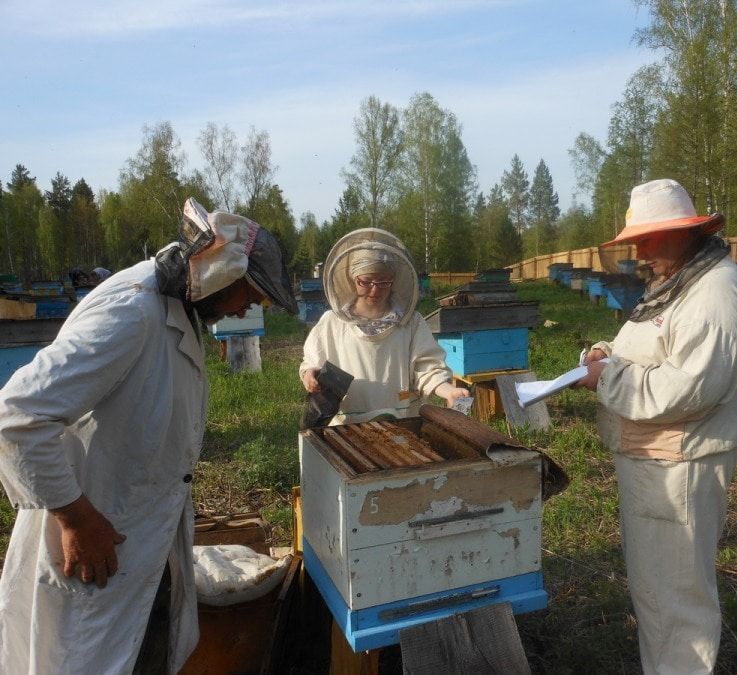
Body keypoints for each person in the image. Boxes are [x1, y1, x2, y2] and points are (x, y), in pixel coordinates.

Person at [0, 197, 298, 674]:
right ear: (222, 272)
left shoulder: (175, 306)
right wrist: (75, 518)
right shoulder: (131, 312)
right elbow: (17, 415)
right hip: (98, 544)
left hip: (140, 539)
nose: (250, 306)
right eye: (251, 292)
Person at [574, 179, 737, 674]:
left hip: (680, 465)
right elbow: (652, 351)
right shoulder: (680, 282)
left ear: (685, 233)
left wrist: (605, 379)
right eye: (636, 239)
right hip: (659, 461)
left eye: (649, 239)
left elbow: (689, 390)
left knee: (676, 598)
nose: (640, 251)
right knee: (657, 589)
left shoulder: (714, 294)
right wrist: (605, 355)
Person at [299, 228, 469, 424]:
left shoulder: (410, 322)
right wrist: (309, 374)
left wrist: (448, 391)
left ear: (393, 281)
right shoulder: (332, 323)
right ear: (353, 280)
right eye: (366, 281)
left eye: (383, 282)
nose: (374, 289)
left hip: (402, 422)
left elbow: (427, 368)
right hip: (347, 426)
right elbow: (312, 362)